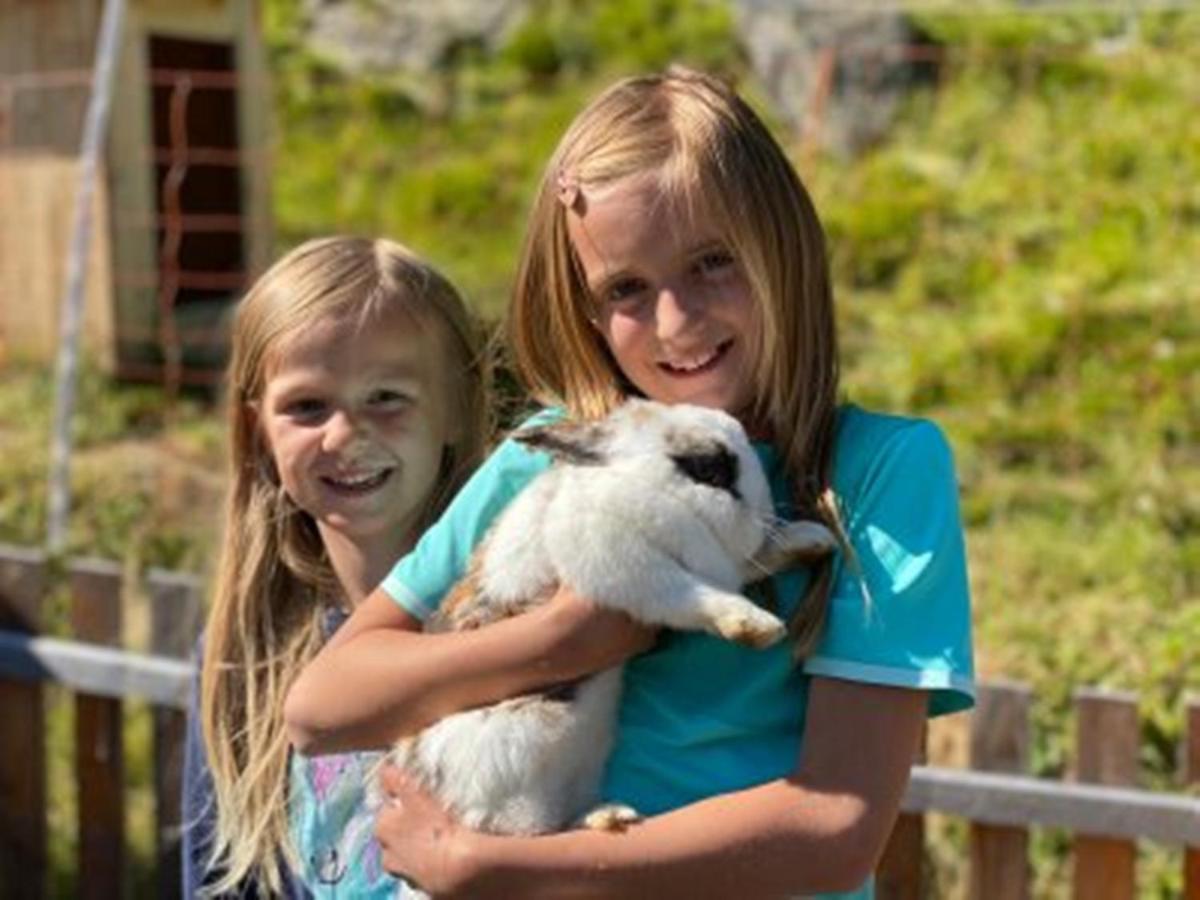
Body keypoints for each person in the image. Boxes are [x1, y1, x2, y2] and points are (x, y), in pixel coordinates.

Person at [284, 66, 975, 899]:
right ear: (583, 305)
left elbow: (834, 828)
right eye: (627, 289)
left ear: (783, 247)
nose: (676, 322)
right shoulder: (552, 455)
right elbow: (321, 708)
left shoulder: (874, 475)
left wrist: (501, 868)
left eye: (713, 262)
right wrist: (563, 644)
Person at [181, 236, 491, 897]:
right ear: (256, 429)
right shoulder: (245, 660)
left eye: (387, 397)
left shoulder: (515, 629)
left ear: (458, 409)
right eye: (307, 406)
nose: (345, 436)